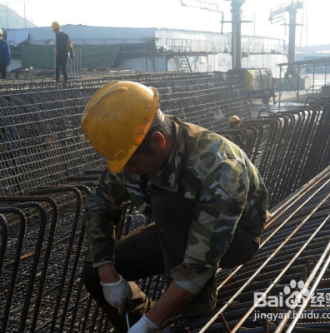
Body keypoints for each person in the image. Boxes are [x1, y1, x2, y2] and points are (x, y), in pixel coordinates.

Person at [80, 81, 268, 333]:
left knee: (167, 202)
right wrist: (106, 272)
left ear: (157, 141)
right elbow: (100, 203)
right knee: (93, 275)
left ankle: (192, 316)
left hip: (235, 237)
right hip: (176, 227)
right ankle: (144, 321)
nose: (128, 171)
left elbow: (198, 266)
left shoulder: (218, 167)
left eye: (131, 163)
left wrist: (150, 324)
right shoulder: (136, 152)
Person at [51, 21, 73, 86]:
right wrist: (56, 52)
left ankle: (65, 81)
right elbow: (57, 45)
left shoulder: (65, 36)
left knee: (63, 67)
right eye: (54, 30)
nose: (55, 31)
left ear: (58, 28)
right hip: (59, 53)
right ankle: (57, 81)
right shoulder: (56, 36)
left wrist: (71, 53)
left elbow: (70, 44)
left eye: (55, 30)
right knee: (57, 67)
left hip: (65, 53)